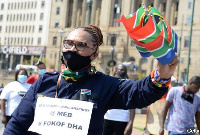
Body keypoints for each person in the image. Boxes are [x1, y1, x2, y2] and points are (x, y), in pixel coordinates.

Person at [4, 25, 179, 135]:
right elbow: (18, 123)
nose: (72, 49)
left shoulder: (104, 85)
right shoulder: (45, 82)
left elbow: (140, 92)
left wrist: (161, 75)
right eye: (68, 43)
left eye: (81, 45)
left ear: (94, 54)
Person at [103, 64, 135, 135]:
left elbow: (133, 106)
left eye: (124, 70)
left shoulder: (130, 84)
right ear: (116, 71)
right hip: (107, 118)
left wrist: (130, 123)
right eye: (121, 69)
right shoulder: (110, 82)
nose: (122, 71)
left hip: (122, 120)